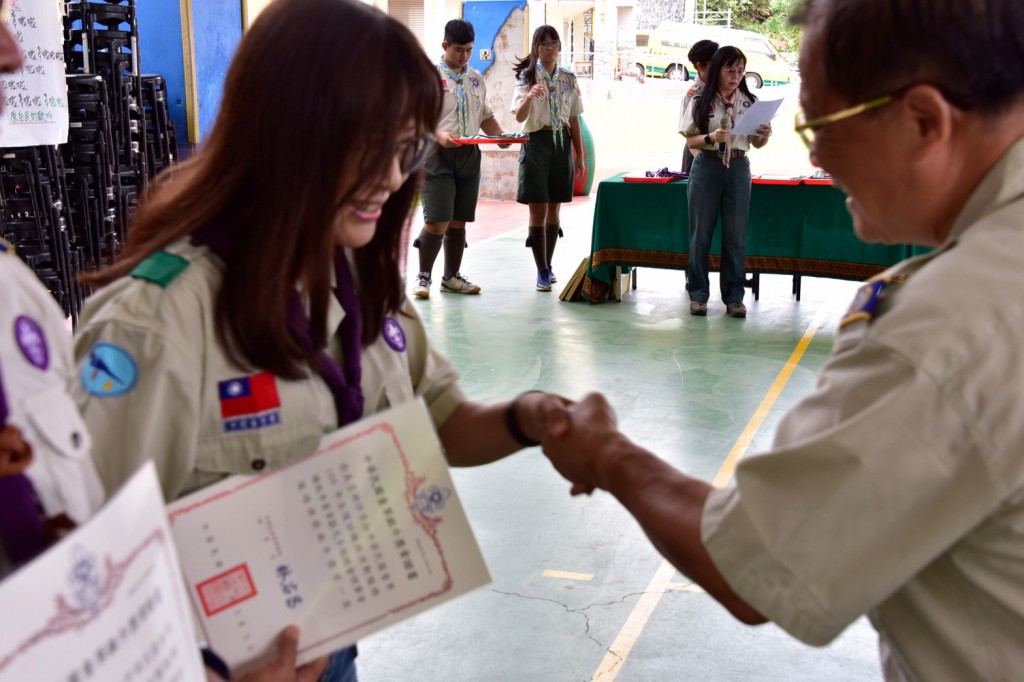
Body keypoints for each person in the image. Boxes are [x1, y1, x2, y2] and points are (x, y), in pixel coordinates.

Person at [70, 1, 559, 680]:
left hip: (328, 650)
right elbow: (72, 572)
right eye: (368, 146)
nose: (392, 179)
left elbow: (439, 416)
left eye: (407, 148)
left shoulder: (355, 280)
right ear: (288, 135)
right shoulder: (156, 327)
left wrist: (530, 419)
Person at [540, 0, 1024, 679]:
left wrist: (605, 453)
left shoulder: (941, 328)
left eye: (822, 124)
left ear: (924, 122)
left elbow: (755, 566)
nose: (816, 151)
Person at [412, 18, 510, 300]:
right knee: (437, 221)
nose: (465, 55)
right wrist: (438, 134)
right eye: (458, 50)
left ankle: (451, 277)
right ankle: (424, 277)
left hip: (469, 155)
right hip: (437, 155)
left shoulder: (476, 79)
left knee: (458, 221)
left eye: (468, 49)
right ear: (444, 46)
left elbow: (486, 117)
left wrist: (500, 136)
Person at [680, 46, 772, 318]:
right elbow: (690, 139)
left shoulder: (750, 101)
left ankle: (734, 298)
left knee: (735, 236)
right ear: (718, 69)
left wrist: (765, 133)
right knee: (700, 234)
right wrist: (712, 138)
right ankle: (698, 295)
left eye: (740, 70)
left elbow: (758, 143)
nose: (735, 76)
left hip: (739, 167)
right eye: (729, 69)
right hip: (707, 165)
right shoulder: (699, 99)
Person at [511, 26, 585, 292]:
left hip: (561, 142)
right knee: (539, 207)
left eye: (554, 43)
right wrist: (530, 96)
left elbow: (574, 118)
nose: (550, 48)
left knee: (555, 207)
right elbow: (519, 118)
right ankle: (541, 269)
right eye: (544, 44)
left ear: (560, 47)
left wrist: (581, 156)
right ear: (536, 48)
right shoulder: (526, 77)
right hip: (536, 142)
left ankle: (548, 264)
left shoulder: (568, 77)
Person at [678, 39, 719, 174]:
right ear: (700, 66)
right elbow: (690, 139)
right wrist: (706, 162)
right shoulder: (692, 97)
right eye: (715, 65)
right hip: (699, 156)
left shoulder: (724, 88)